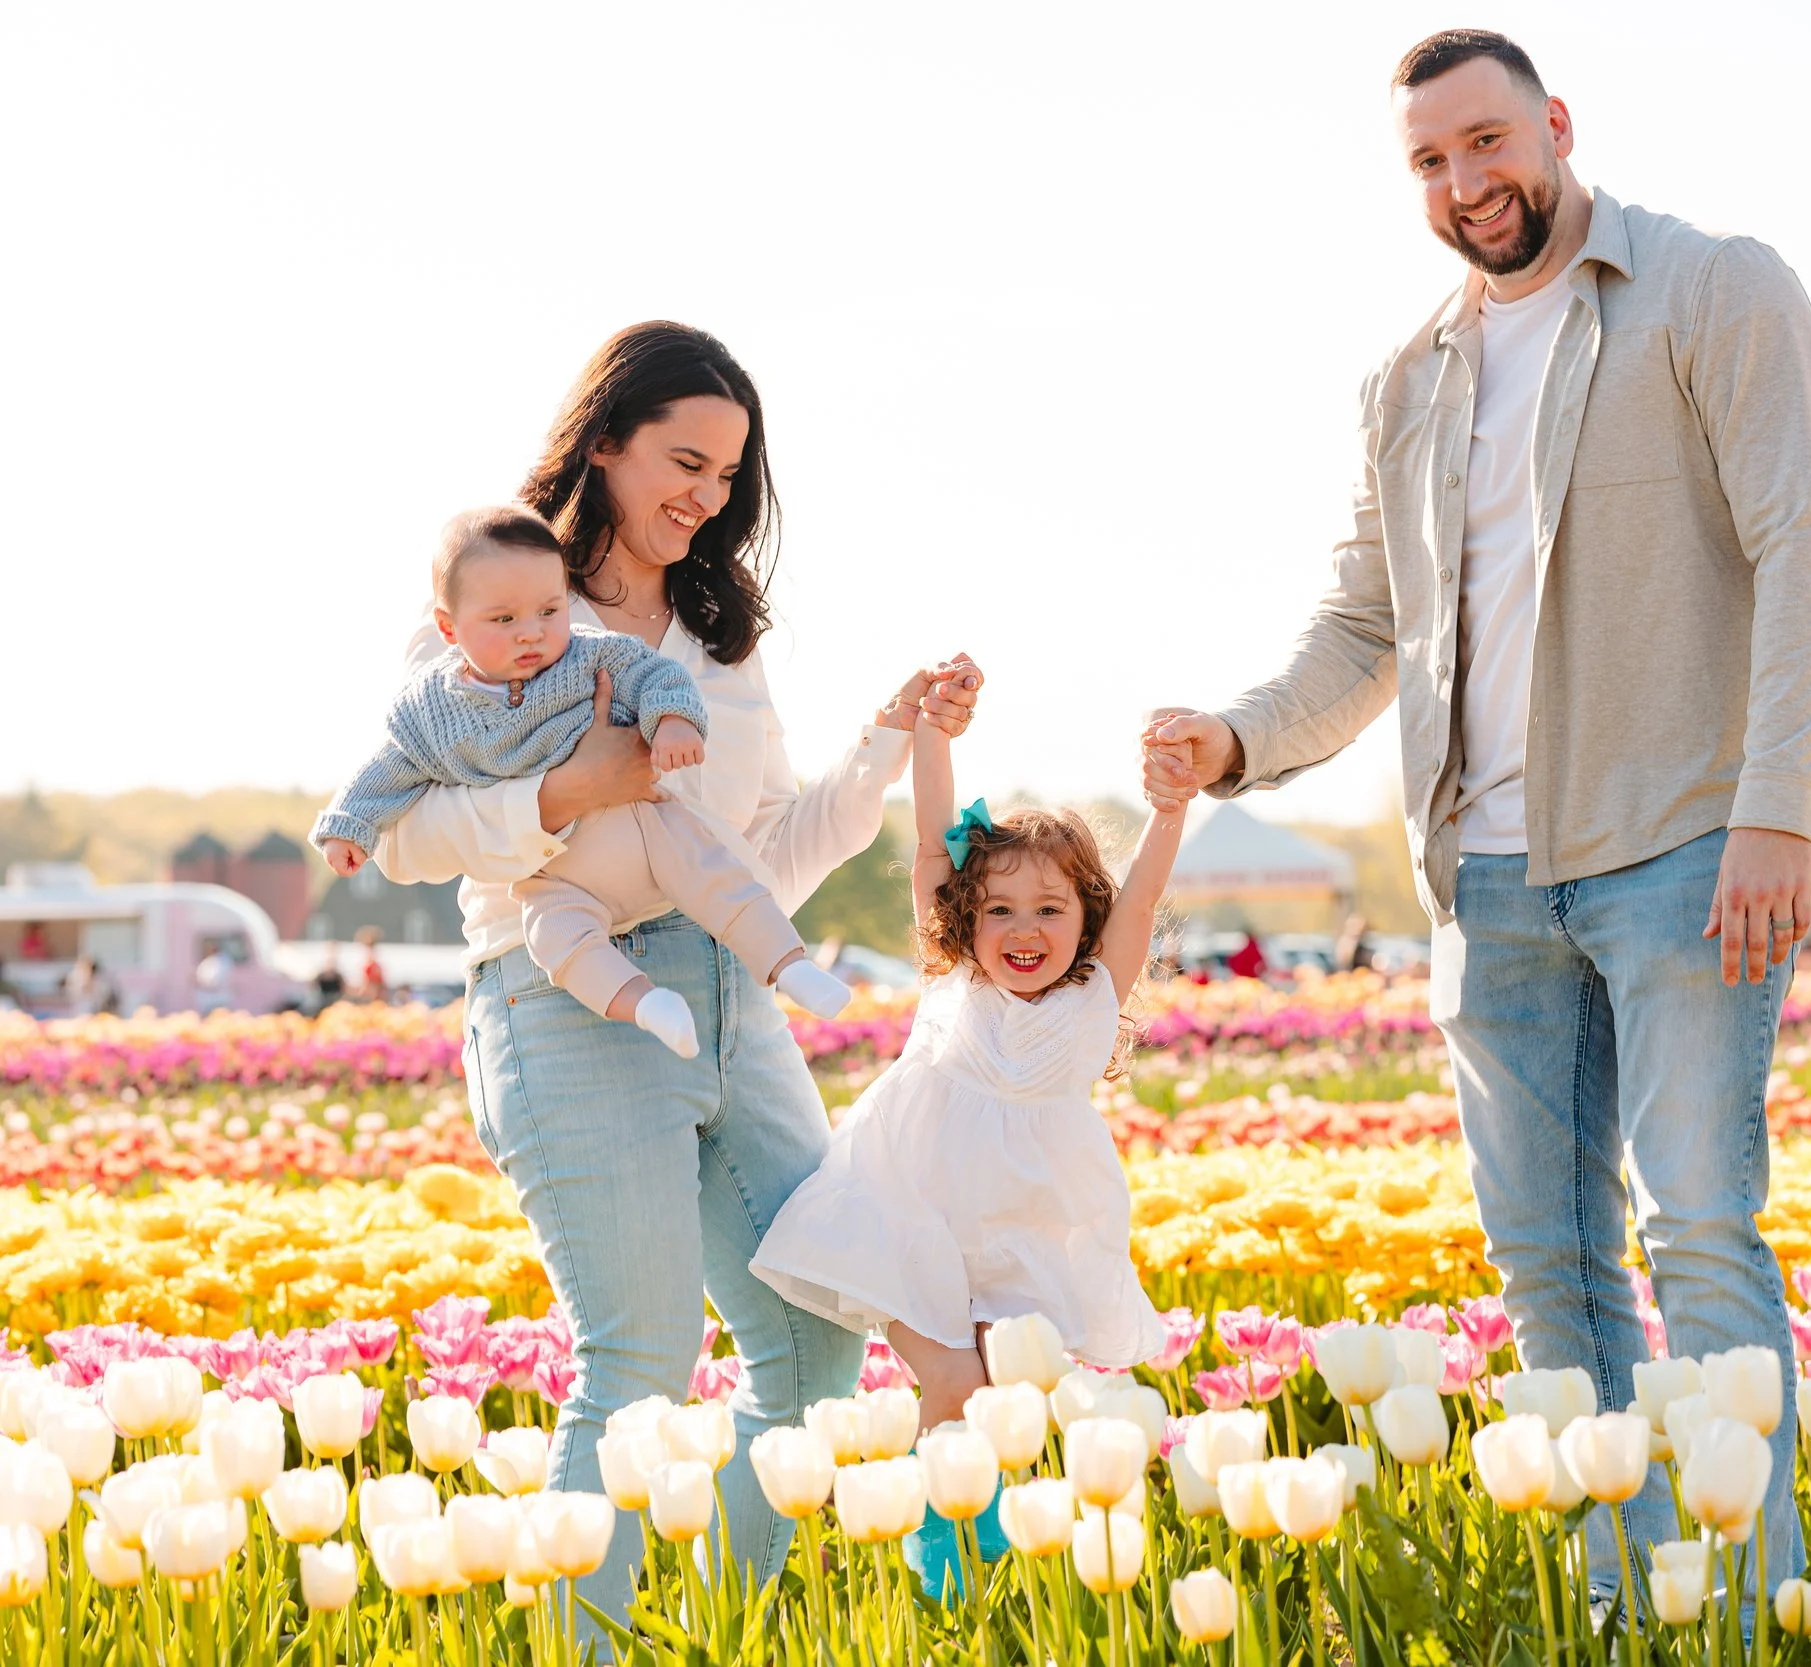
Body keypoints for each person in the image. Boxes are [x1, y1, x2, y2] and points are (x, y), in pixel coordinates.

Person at [1143, 30, 1811, 1602]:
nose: (1466, 183)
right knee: (1550, 1272)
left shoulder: (1713, 287)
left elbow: (1808, 546)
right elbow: (1362, 627)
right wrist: (1239, 737)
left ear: (1556, 127)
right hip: (1488, 878)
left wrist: (1775, 809)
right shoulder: (1408, 380)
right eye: (1429, 161)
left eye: (1486, 143)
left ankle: (1753, 1612)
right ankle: (1629, 1601)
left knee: (1703, 1238)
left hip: (1682, 846)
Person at [361, 321, 979, 1625]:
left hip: (728, 992)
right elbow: (407, 837)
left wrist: (885, 740)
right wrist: (569, 790)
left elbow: (761, 855)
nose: (707, 496)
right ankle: (591, 1648)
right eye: (682, 461)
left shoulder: (719, 632)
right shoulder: (505, 600)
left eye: (728, 475)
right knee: (637, 1349)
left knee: (812, 1338)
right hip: (562, 989)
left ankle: (720, 1628)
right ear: (603, 443)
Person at [752, 667, 1180, 1598]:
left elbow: (1143, 898)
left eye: (1049, 909)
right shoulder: (959, 980)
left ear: (1085, 920)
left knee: (998, 1394)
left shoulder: (1094, 996)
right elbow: (930, 847)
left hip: (1027, 1230)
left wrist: (1170, 811)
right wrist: (934, 737)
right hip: (909, 1206)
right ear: (966, 919)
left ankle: (984, 1563)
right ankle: (943, 1567)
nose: (1023, 930)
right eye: (999, 910)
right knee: (949, 1379)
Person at [312, 507, 853, 1055]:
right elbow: (389, 766)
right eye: (504, 621)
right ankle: (646, 1004)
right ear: (449, 628)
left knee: (715, 873)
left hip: (641, 824)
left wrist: (672, 720)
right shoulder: (432, 709)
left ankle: (789, 965)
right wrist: (349, 825)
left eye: (549, 611)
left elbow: (656, 673)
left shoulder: (587, 654)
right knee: (556, 939)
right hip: (551, 870)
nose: (531, 633)